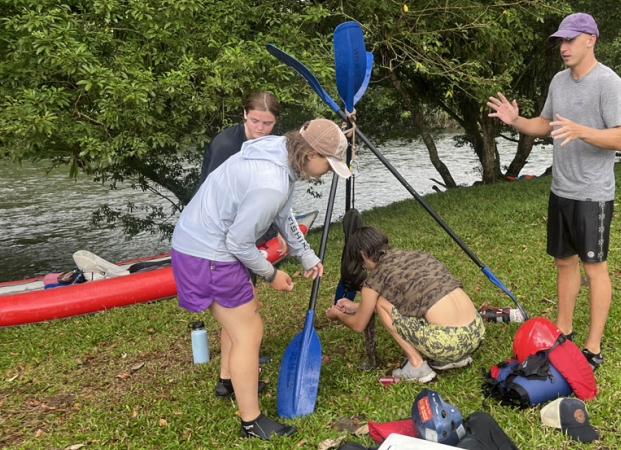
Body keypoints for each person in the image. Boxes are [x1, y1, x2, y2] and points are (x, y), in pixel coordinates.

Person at [171, 118, 351, 440]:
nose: (328, 172)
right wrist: (271, 274)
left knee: (244, 309)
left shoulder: (282, 151)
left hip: (201, 242)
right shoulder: (273, 182)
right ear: (310, 152)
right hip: (208, 253)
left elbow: (284, 213)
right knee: (249, 330)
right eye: (329, 163)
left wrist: (306, 254)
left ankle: (229, 380)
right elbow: (238, 242)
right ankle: (251, 423)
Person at [486, 12, 621, 371]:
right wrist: (516, 120)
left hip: (593, 193)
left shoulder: (609, 84)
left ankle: (592, 347)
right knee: (563, 262)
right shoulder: (559, 82)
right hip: (561, 189)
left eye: (570, 40)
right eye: (560, 41)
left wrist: (583, 131)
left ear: (590, 40)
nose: (563, 47)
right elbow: (546, 125)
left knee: (594, 266)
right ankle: (563, 330)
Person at [196, 91, 280, 389]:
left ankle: (232, 371)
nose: (260, 128)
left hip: (244, 236)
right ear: (244, 115)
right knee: (241, 309)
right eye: (255, 120)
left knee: (245, 306)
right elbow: (212, 198)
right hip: (221, 239)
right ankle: (232, 376)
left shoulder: (267, 144)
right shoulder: (226, 146)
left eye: (267, 123)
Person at [325, 227, 485, 383]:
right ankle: (454, 358)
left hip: (448, 344)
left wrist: (337, 315)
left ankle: (417, 366)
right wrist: (356, 306)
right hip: (476, 334)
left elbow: (359, 324)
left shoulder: (375, 279)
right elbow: (411, 301)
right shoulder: (418, 255)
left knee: (381, 303)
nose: (363, 267)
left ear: (363, 254)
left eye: (360, 262)